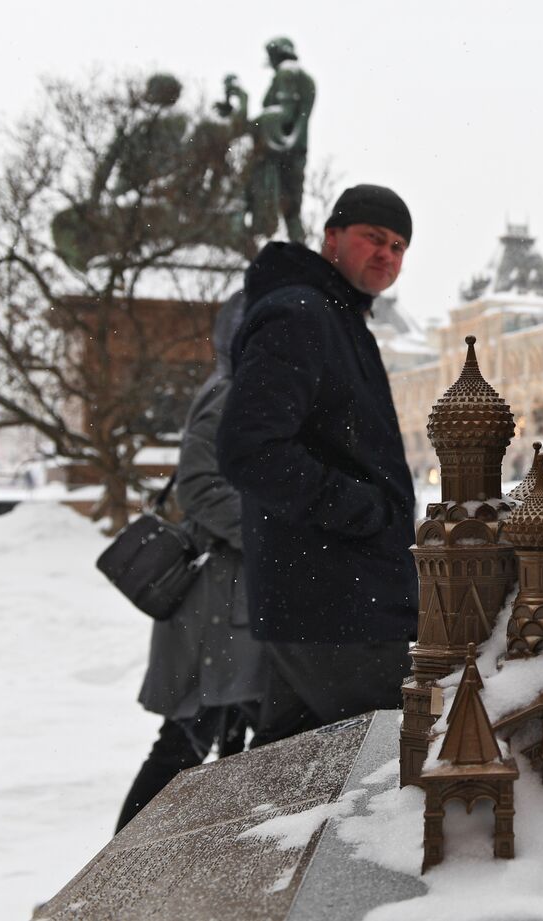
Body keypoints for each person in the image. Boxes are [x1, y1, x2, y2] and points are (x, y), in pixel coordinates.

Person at [217, 185, 416, 746]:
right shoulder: (303, 314)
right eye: (373, 238)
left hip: (322, 603)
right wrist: (365, 513)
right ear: (333, 237)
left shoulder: (333, 317)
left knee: (286, 791)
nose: (387, 255)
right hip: (339, 605)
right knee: (401, 762)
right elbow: (249, 448)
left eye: (399, 247)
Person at [118, 293, 264, 831]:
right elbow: (200, 487)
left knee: (231, 736)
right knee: (187, 739)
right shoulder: (230, 393)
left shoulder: (247, 390)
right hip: (214, 608)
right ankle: (116, 872)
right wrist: (269, 534)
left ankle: (153, 866)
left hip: (232, 605)